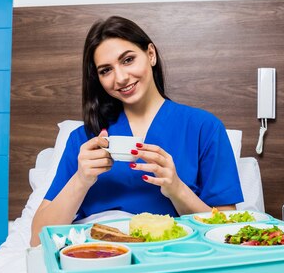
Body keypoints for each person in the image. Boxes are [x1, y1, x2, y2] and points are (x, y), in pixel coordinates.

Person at [30, 16, 243, 246]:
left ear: (151, 54)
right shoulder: (84, 139)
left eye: (128, 60)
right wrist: (81, 180)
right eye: (105, 71)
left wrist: (177, 190)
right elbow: (37, 240)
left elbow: (226, 232)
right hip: (97, 258)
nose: (120, 78)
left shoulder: (204, 128)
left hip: (171, 255)